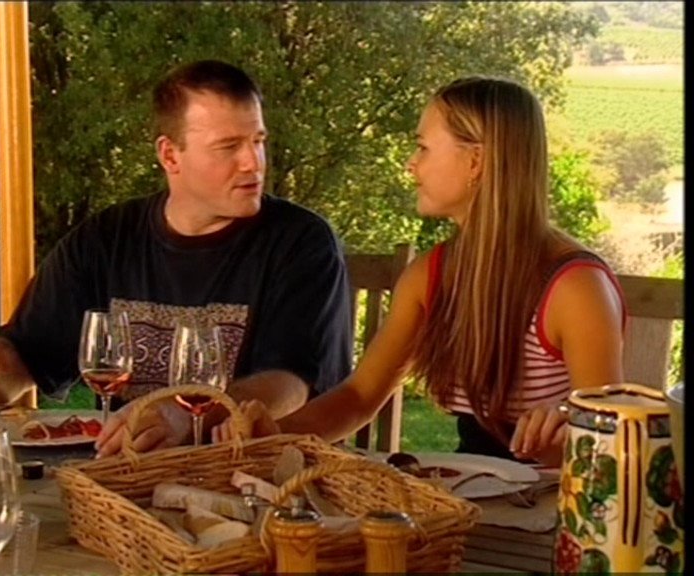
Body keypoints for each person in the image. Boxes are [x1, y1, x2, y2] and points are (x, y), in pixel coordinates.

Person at [212, 76, 626, 467]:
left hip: (560, 502)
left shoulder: (574, 287)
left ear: (476, 161)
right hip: (476, 494)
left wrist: (563, 446)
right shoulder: (431, 275)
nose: (411, 165)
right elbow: (360, 396)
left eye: (423, 148)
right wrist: (274, 435)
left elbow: (611, 444)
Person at [0, 59, 353, 457]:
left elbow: (292, 382)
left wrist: (185, 412)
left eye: (258, 141)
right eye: (229, 147)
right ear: (170, 156)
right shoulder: (104, 240)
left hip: (253, 473)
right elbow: (28, 359)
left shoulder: (301, 241)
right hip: (127, 472)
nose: (253, 162)